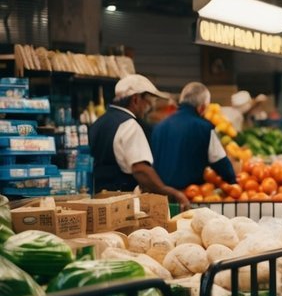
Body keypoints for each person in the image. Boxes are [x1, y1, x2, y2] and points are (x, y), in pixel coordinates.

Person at [89, 74, 191, 209]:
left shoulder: (99, 123)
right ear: (136, 99)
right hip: (122, 205)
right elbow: (140, 169)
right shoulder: (129, 124)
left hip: (100, 201)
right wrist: (168, 191)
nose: (147, 109)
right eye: (148, 103)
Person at [151, 82, 238, 191]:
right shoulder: (204, 127)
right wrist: (233, 182)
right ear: (202, 107)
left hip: (162, 196)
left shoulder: (159, 127)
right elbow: (220, 161)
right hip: (190, 196)